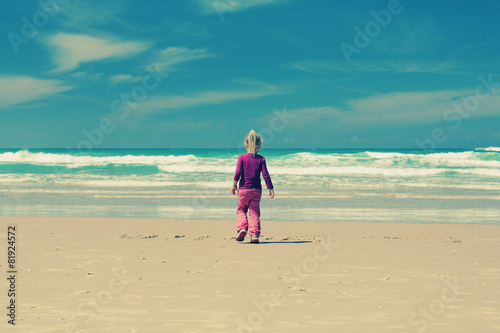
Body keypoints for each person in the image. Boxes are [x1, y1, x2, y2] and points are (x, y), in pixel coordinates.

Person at [231, 130, 274, 243]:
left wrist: (234, 185)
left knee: (241, 210)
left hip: (244, 190)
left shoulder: (241, 158)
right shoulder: (261, 159)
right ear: (259, 145)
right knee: (254, 212)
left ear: (245, 145)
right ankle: (254, 235)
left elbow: (238, 172)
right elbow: (265, 174)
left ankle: (242, 228)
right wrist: (270, 188)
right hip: (256, 191)